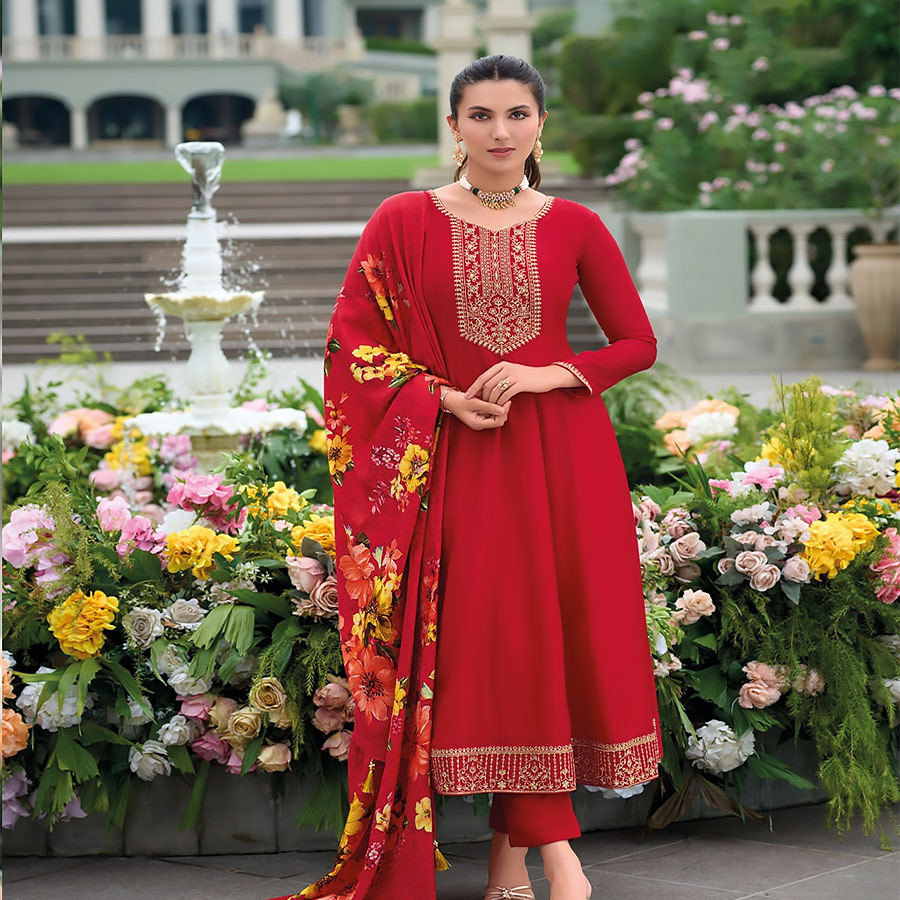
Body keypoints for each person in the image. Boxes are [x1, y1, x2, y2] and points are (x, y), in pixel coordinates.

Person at [269, 54, 663, 900]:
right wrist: (438, 396)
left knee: (549, 644)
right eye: (480, 115)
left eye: (516, 114)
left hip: (563, 460)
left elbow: (636, 343)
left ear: (540, 124)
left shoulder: (576, 225)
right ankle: (560, 857)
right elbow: (349, 349)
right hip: (451, 463)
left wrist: (547, 375)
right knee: (499, 645)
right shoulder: (403, 219)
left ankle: (511, 861)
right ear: (452, 126)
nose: (499, 132)